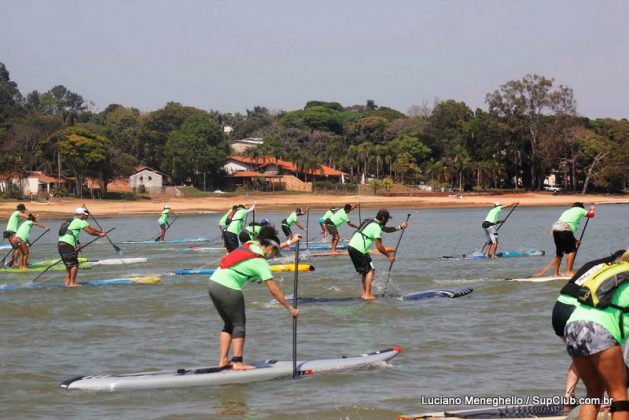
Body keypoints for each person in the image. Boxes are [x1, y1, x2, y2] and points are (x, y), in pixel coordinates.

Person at [208, 225, 299, 370]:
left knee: (229, 324)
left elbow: (269, 243)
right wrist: (290, 308)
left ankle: (223, 360)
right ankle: (238, 362)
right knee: (239, 325)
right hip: (228, 287)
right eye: (275, 253)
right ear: (269, 247)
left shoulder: (251, 244)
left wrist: (290, 242)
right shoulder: (261, 262)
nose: (274, 257)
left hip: (213, 283)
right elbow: (274, 290)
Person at [551, 249, 625, 413]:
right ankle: (608, 399)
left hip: (560, 308)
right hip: (577, 309)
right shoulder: (615, 270)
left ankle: (568, 396)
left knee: (585, 353)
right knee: (599, 355)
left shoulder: (595, 263)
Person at [347, 209, 408, 300]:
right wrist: (389, 256)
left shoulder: (370, 221)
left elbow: (387, 229)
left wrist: (400, 227)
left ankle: (365, 293)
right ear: (383, 218)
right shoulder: (376, 228)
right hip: (359, 249)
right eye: (387, 219)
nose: (387, 221)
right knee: (370, 271)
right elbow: (379, 247)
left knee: (367, 271)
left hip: (353, 247)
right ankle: (367, 295)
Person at [58, 207, 107, 287]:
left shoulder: (69, 221)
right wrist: (100, 234)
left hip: (61, 244)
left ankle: (67, 282)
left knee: (68, 265)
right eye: (85, 215)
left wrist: (77, 243)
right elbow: (90, 231)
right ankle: (72, 283)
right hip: (68, 245)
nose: (86, 217)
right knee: (74, 264)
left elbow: (70, 233)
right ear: (81, 215)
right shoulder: (79, 221)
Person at [547, 202, 595, 278]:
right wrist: (592, 209)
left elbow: (567, 230)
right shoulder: (580, 209)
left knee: (559, 253)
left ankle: (556, 273)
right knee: (572, 251)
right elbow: (591, 215)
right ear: (581, 207)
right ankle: (568, 272)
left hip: (555, 230)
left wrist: (574, 240)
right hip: (565, 230)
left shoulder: (567, 211)